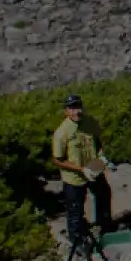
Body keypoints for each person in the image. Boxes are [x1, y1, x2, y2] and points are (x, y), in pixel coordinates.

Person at [49, 94, 114, 241]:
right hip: (74, 177)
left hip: (93, 168)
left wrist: (102, 157)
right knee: (75, 210)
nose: (76, 111)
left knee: (104, 195)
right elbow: (57, 160)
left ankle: (105, 229)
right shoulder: (61, 133)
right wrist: (81, 169)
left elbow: (98, 142)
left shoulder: (90, 122)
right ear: (66, 111)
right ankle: (76, 241)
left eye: (78, 107)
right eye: (72, 108)